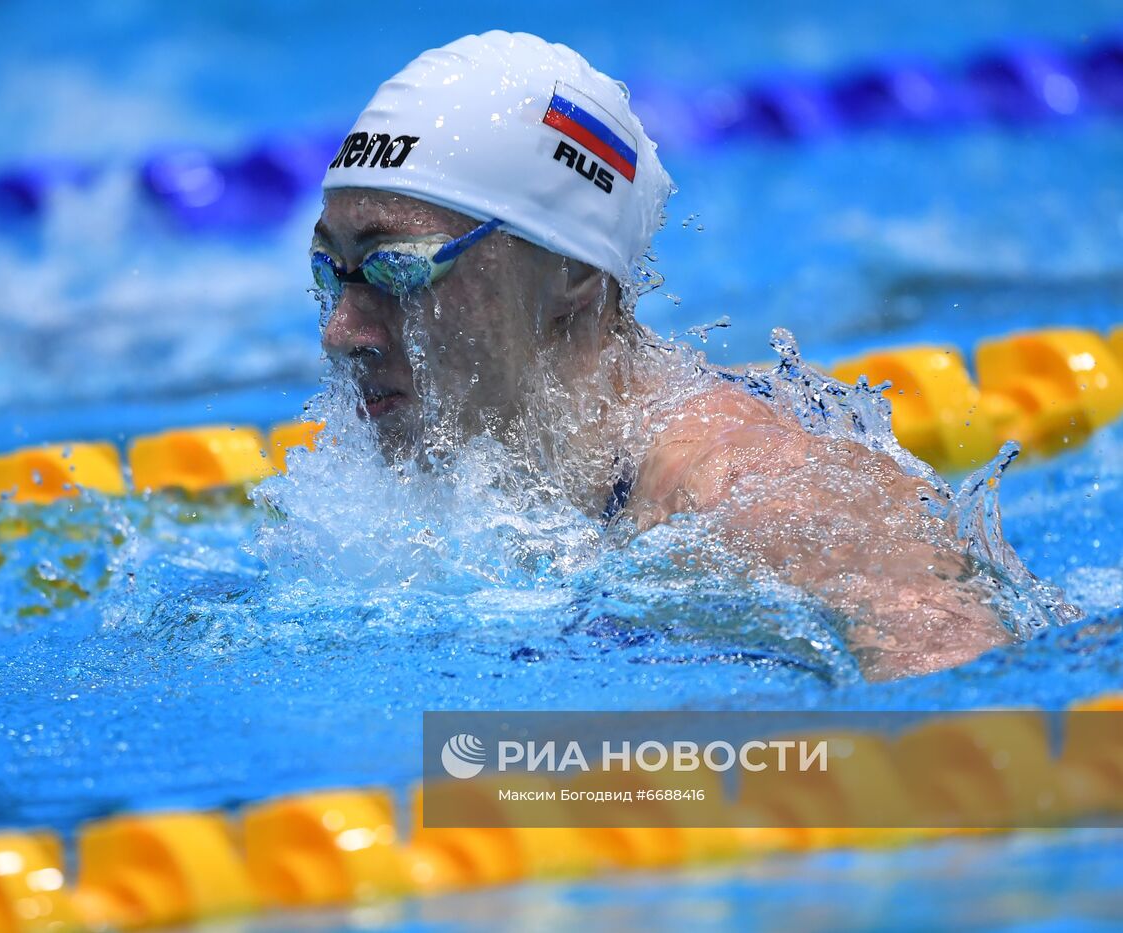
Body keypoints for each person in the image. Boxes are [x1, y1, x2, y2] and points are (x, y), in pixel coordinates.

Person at [307, 31, 1012, 680]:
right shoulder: (480, 495)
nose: (340, 332)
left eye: (397, 267)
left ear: (573, 270)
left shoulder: (742, 490)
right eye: (329, 268)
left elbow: (973, 713)